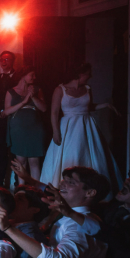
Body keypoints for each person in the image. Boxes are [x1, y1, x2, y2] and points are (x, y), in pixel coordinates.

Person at [40, 64, 123, 196]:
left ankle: (89, 191)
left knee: (88, 154)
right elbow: (54, 112)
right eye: (87, 74)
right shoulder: (60, 89)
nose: (90, 76)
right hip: (68, 126)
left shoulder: (87, 89)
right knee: (70, 154)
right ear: (79, 74)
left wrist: (106, 105)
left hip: (86, 126)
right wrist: (56, 131)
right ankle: (65, 190)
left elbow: (88, 107)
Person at [4, 66, 47, 183]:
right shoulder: (11, 91)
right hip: (18, 129)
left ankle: (36, 190)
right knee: (20, 161)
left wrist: (32, 96)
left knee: (34, 161)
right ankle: (21, 190)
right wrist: (23, 102)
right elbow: (6, 111)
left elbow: (43, 108)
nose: (34, 77)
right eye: (32, 75)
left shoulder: (37, 90)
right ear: (23, 75)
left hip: (35, 128)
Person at [0, 51, 17, 186]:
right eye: (1, 59)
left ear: (12, 61)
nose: (3, 62)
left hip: (15, 117)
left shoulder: (19, 76)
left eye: (7, 59)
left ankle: (17, 182)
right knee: (0, 150)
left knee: (15, 150)